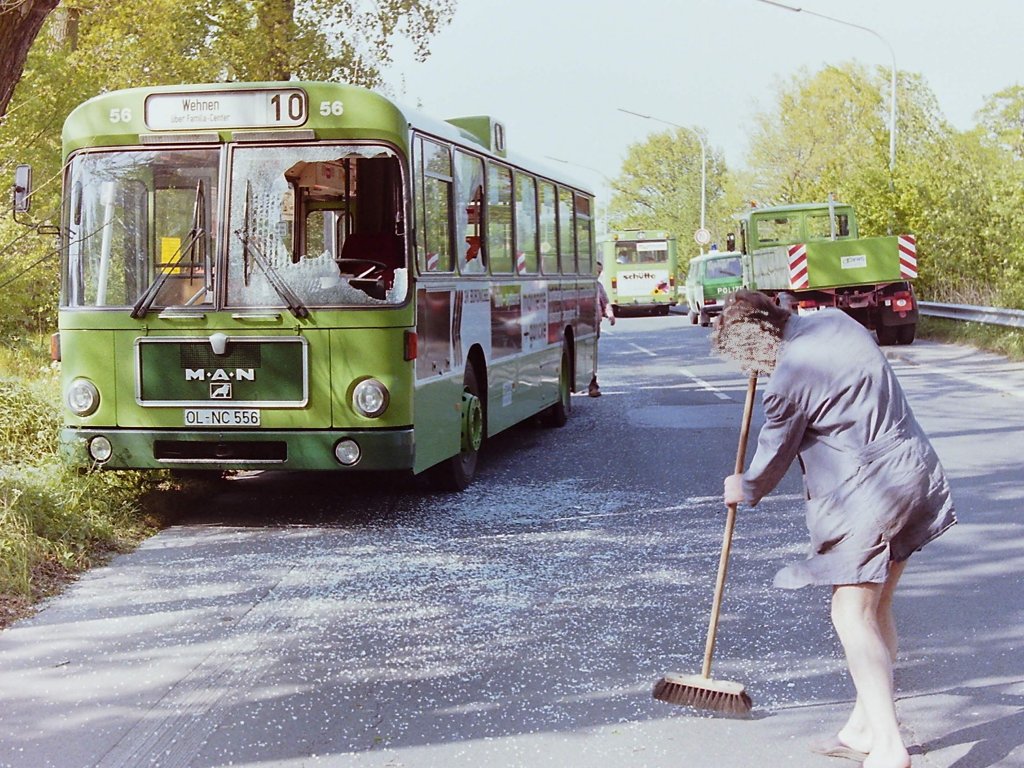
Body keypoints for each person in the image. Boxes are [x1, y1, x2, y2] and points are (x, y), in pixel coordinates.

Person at [715, 290, 955, 768]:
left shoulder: (788, 378)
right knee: (876, 608)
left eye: (743, 356)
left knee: (851, 614)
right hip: (914, 473)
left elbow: (774, 454)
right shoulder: (835, 320)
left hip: (867, 496)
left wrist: (744, 486)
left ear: (753, 339)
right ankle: (863, 728)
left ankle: (889, 746)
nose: (750, 367)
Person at [589, 262, 615, 397]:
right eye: (596, 271)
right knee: (586, 355)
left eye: (600, 272)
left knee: (592, 356)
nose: (598, 274)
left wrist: (610, 314)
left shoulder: (598, 286)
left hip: (595, 325)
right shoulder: (583, 286)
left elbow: (605, 302)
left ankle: (593, 386)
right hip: (584, 324)